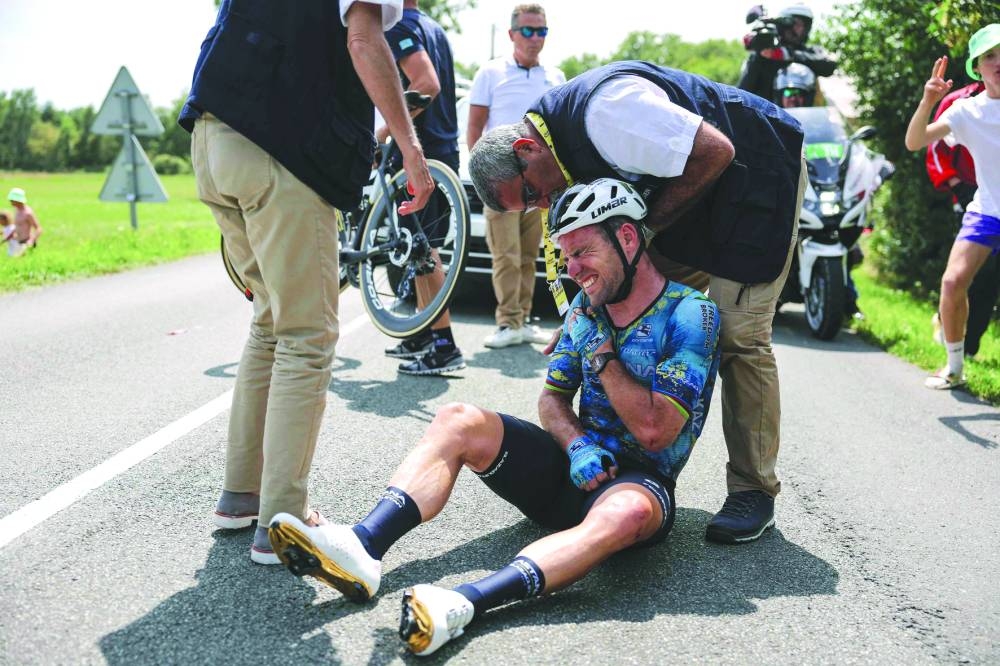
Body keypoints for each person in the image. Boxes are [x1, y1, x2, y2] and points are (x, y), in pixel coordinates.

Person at [267, 178, 720, 656]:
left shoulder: (692, 314)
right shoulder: (590, 309)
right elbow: (553, 400)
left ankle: (461, 605)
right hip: (571, 469)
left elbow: (655, 432)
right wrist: (575, 443)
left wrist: (602, 352)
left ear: (627, 239)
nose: (573, 270)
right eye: (565, 257)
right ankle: (362, 547)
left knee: (625, 511)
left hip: (636, 486)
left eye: (582, 251)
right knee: (459, 418)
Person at [468, 60, 806, 545]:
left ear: (527, 148)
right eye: (530, 205)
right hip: (697, 196)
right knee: (626, 290)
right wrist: (585, 312)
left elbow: (716, 151)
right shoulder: (555, 151)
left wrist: (642, 233)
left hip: (757, 178)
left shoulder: (607, 113)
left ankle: (754, 489)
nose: (543, 204)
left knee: (739, 336)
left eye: (531, 193)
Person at [177, 0, 434, 564]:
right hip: (279, 150)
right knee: (307, 335)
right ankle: (283, 519)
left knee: (270, 324)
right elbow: (364, 41)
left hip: (213, 136)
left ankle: (240, 496)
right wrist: (412, 151)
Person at [904, 24, 1000, 389]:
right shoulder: (965, 111)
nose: (998, 61)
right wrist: (928, 101)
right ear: (978, 66)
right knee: (952, 281)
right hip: (988, 210)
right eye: (990, 55)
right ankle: (955, 367)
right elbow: (915, 142)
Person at [467, 3, 565, 349]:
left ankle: (523, 319)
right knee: (504, 255)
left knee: (529, 256)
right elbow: (475, 129)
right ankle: (507, 322)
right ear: (512, 34)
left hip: (537, 185)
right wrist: (485, 179)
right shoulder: (490, 73)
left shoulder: (555, 77)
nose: (535, 38)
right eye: (528, 30)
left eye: (541, 31)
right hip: (502, 183)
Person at [379, 0, 466, 376]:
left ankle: (444, 345)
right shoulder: (432, 27)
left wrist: (386, 131)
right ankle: (422, 332)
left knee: (424, 249)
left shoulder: (397, 28)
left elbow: (427, 84)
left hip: (422, 150)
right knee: (418, 245)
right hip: (442, 148)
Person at [925, 79, 999, 360]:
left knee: (990, 281)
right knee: (969, 277)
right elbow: (933, 147)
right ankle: (955, 342)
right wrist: (957, 185)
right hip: (972, 198)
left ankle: (971, 346)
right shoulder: (959, 103)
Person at [738, 3, 836, 105]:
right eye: (795, 24)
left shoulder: (811, 52)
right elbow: (743, 92)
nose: (799, 29)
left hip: (806, 117)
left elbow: (829, 65)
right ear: (783, 25)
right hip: (768, 118)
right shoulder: (764, 55)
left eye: (802, 25)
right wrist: (759, 54)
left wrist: (785, 54)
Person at [6, 188, 42, 252]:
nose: (10, 202)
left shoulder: (28, 213)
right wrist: (9, 236)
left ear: (18, 200)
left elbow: (39, 229)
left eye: (12, 200)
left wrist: (31, 240)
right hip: (19, 242)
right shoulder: (17, 210)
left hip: (27, 244)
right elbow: (17, 226)